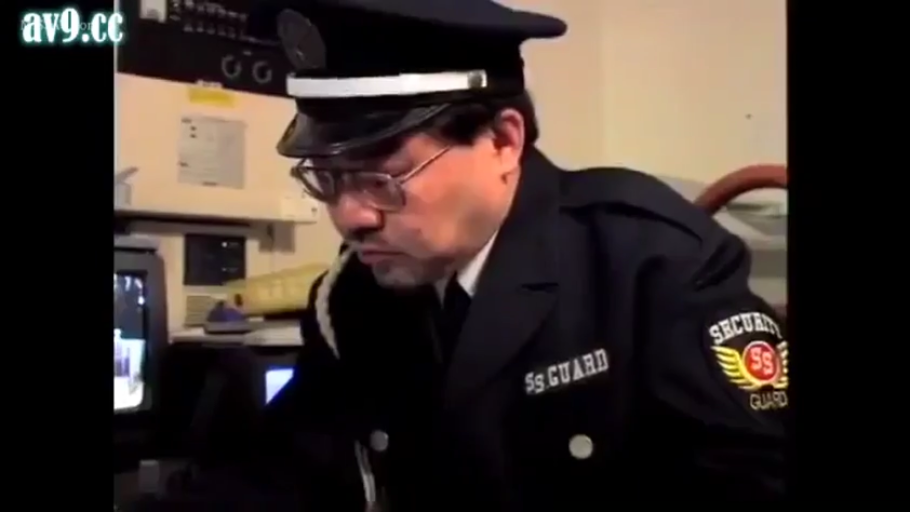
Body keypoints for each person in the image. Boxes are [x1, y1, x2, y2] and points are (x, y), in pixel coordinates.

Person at [150, 0, 789, 509]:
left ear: (503, 141)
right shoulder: (350, 300)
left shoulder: (650, 262)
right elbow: (285, 470)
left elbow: (757, 482)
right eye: (327, 178)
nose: (351, 216)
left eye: (381, 177)